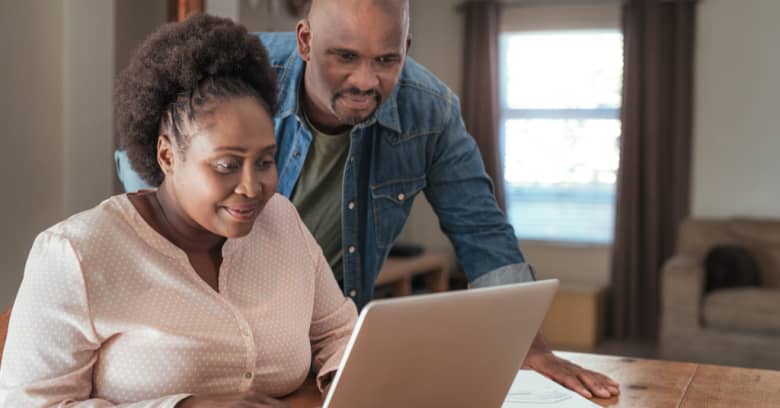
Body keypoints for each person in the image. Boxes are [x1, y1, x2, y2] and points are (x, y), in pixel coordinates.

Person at [117, 0, 620, 399]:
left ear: (406, 46)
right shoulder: (236, 79)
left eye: (386, 60)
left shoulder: (431, 111)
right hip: (218, 334)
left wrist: (528, 346)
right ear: (307, 40)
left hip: (331, 341)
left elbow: (481, 231)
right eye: (344, 57)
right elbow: (149, 179)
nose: (365, 81)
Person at [0, 14, 356, 407]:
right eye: (227, 165)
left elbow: (339, 335)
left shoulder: (282, 223)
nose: (253, 187)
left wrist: (354, 380)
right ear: (168, 155)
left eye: (266, 161)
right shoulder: (75, 255)